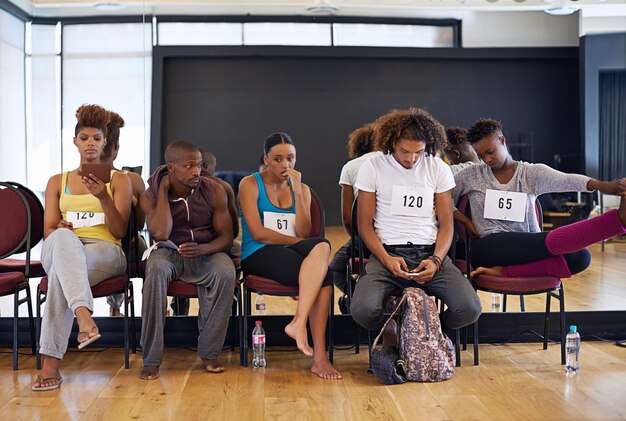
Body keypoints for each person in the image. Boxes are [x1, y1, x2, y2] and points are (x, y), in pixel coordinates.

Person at [350, 108, 481, 338]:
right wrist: (386, 259)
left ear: (428, 146)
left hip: (429, 254)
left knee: (470, 309)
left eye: (418, 152)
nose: (411, 159)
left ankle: (427, 331)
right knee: (362, 310)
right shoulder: (373, 167)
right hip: (387, 254)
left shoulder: (437, 167)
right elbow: (364, 226)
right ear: (391, 143)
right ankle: (394, 328)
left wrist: (437, 260)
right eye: (404, 151)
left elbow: (447, 225)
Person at [33, 104, 133, 391]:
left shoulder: (119, 180)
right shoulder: (57, 181)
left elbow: (119, 231)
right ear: (75, 142)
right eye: (85, 138)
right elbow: (48, 230)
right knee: (63, 239)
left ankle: (50, 365)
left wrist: (103, 197)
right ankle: (84, 316)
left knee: (60, 282)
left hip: (104, 251)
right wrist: (63, 230)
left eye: (97, 139)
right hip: (63, 247)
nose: (91, 143)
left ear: (105, 142)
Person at [452, 118, 626, 279]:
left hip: (531, 246)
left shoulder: (530, 173)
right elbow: (442, 201)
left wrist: (606, 186)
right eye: (481, 156)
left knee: (581, 257)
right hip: (489, 247)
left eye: (490, 152)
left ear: (502, 140)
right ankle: (618, 221)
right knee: (555, 244)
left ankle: (504, 272)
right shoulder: (470, 175)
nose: (487, 159)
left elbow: (567, 180)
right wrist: (466, 221)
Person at [239, 132, 342, 380]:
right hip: (258, 252)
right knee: (324, 275)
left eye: (291, 158)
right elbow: (259, 233)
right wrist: (299, 242)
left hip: (291, 250)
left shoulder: (302, 188)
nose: (286, 165)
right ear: (266, 159)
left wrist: (298, 193)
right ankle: (318, 355)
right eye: (278, 159)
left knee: (323, 251)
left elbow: (306, 232)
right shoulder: (250, 184)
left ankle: (300, 324)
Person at [139, 140, 236, 380]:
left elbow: (227, 237)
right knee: (155, 269)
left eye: (200, 165)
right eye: (189, 166)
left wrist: (203, 249)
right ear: (171, 168)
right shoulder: (150, 195)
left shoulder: (214, 190)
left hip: (206, 251)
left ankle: (210, 353)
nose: (197, 171)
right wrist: (163, 191)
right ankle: (151, 358)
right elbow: (160, 234)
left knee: (225, 272)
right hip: (168, 252)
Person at [169, 147, 241, 316]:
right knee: (234, 251)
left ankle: (179, 310)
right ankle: (229, 305)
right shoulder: (222, 187)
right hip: (213, 249)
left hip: (181, 249)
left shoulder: (174, 186)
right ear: (207, 166)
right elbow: (233, 231)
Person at [328, 124, 380, 313]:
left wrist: (358, 240)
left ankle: (358, 297)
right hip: (402, 241)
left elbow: (348, 218)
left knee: (334, 268)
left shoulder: (351, 167)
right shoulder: (395, 163)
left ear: (356, 147)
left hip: (365, 240)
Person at [100, 109, 147, 317]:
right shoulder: (133, 180)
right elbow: (138, 225)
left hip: (87, 250)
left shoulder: (71, 181)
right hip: (126, 250)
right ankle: (159, 310)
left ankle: (115, 306)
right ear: (116, 148)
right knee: (146, 248)